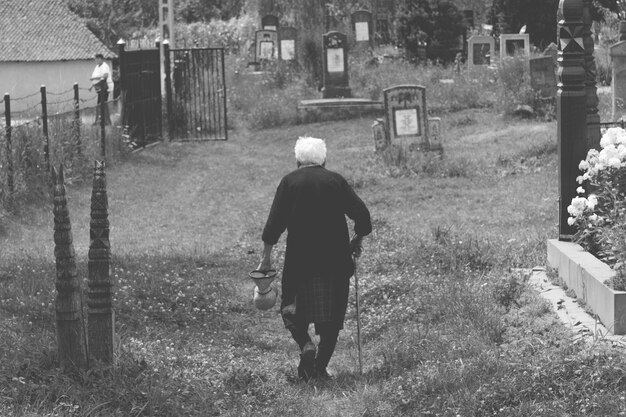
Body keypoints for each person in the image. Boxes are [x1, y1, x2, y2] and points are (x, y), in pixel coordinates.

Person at [258, 136, 372, 381]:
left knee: (291, 310)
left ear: (297, 160)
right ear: (324, 159)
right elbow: (363, 216)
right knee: (332, 317)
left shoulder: (289, 182)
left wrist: (266, 259)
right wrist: (357, 240)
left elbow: (274, 224)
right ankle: (320, 368)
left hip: (300, 263)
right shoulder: (335, 181)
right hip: (336, 262)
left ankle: (305, 344)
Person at [89, 53, 112, 125]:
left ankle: (105, 121)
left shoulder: (105, 66)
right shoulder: (97, 67)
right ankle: (100, 121)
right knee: (99, 104)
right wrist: (91, 85)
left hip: (104, 87)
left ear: (101, 59)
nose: (96, 60)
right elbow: (94, 78)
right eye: (96, 59)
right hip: (98, 88)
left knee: (103, 104)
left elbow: (105, 76)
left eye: (97, 59)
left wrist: (95, 78)